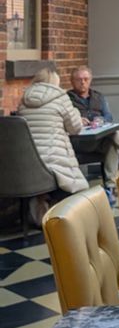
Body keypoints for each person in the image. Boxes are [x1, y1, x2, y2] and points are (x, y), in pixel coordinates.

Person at [17, 67, 88, 226]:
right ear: (55, 82)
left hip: (28, 164)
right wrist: (76, 112)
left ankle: (40, 202)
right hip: (53, 161)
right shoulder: (61, 97)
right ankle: (59, 214)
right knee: (73, 184)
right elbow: (75, 128)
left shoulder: (24, 99)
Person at [67, 65, 119, 198]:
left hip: (98, 140)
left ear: (90, 80)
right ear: (72, 81)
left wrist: (100, 120)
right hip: (79, 142)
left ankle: (110, 187)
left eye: (86, 79)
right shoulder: (66, 99)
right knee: (113, 135)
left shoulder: (98, 96)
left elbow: (108, 117)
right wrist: (78, 120)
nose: (83, 82)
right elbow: (65, 120)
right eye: (79, 79)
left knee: (111, 142)